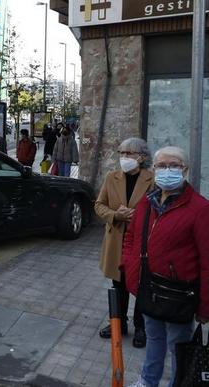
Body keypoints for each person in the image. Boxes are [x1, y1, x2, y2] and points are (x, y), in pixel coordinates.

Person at [122, 146, 209, 387]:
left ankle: (178, 383)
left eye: (174, 165)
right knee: (154, 339)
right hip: (150, 287)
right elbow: (131, 237)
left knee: (178, 347)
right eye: (161, 166)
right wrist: (129, 265)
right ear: (153, 169)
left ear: (185, 170)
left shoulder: (200, 209)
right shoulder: (147, 202)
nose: (166, 170)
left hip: (179, 294)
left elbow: (207, 261)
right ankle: (148, 381)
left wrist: (204, 305)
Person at [95, 138, 154, 349]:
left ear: (142, 157)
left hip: (142, 242)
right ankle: (118, 324)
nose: (124, 158)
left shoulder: (152, 179)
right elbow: (99, 205)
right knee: (118, 285)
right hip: (116, 240)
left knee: (140, 284)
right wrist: (115, 215)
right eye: (122, 153)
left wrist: (138, 215)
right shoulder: (112, 177)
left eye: (129, 153)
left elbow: (159, 209)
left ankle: (141, 326)